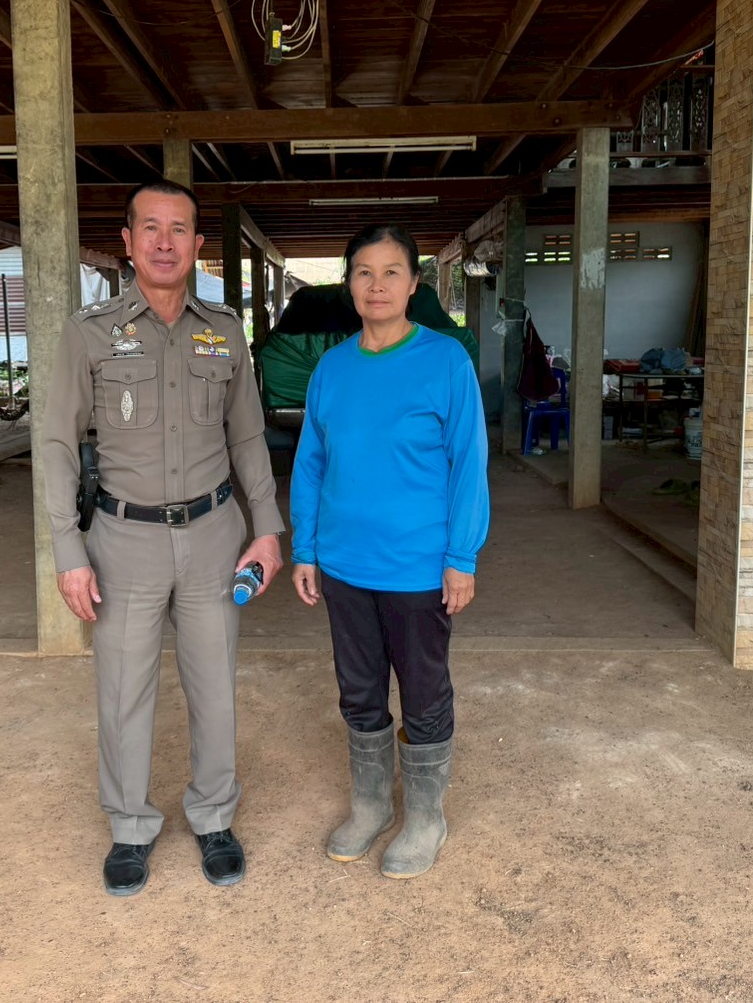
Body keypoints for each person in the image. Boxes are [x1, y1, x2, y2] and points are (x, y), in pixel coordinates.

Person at [41, 180, 284, 897]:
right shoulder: (89, 332)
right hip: (125, 540)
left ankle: (214, 816)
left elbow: (247, 436)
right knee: (123, 691)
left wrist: (267, 529)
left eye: (179, 229)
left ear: (197, 245)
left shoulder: (225, 330)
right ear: (127, 241)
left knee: (215, 687)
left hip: (213, 536)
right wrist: (68, 551)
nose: (164, 242)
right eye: (150, 227)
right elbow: (57, 444)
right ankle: (130, 827)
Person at [289, 224, 489, 879]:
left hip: (417, 566)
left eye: (391, 272)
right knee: (358, 689)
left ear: (413, 284)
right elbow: (311, 462)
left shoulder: (445, 361)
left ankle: (426, 817)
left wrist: (461, 557)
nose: (377, 285)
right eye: (363, 273)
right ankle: (372, 805)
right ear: (348, 284)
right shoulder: (332, 368)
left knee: (423, 691)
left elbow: (469, 464)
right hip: (345, 565)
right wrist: (305, 548)